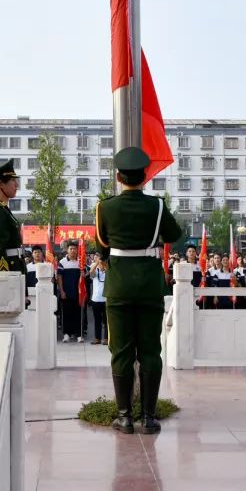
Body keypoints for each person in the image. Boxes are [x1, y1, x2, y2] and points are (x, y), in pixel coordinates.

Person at [95, 147, 182, 434]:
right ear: (145, 177)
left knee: (120, 351)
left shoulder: (105, 208)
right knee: (150, 351)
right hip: (149, 285)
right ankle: (149, 417)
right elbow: (175, 235)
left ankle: (124, 417)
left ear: (119, 176)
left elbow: (102, 245)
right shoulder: (157, 206)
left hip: (119, 286)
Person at [57, 242, 83, 342]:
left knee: (78, 314)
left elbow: (84, 276)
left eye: (74, 249)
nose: (73, 250)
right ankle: (66, 334)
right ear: (67, 250)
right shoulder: (62, 262)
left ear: (77, 250)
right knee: (66, 314)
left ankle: (79, 334)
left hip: (78, 293)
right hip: (66, 293)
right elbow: (59, 277)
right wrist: (62, 291)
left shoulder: (80, 262)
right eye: (71, 249)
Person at [89, 252, 107, 345]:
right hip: (96, 298)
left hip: (106, 299)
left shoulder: (108, 269)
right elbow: (91, 274)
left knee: (106, 320)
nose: (100, 260)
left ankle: (106, 338)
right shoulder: (95, 268)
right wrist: (96, 263)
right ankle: (97, 338)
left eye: (100, 258)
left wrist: (104, 265)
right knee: (97, 320)